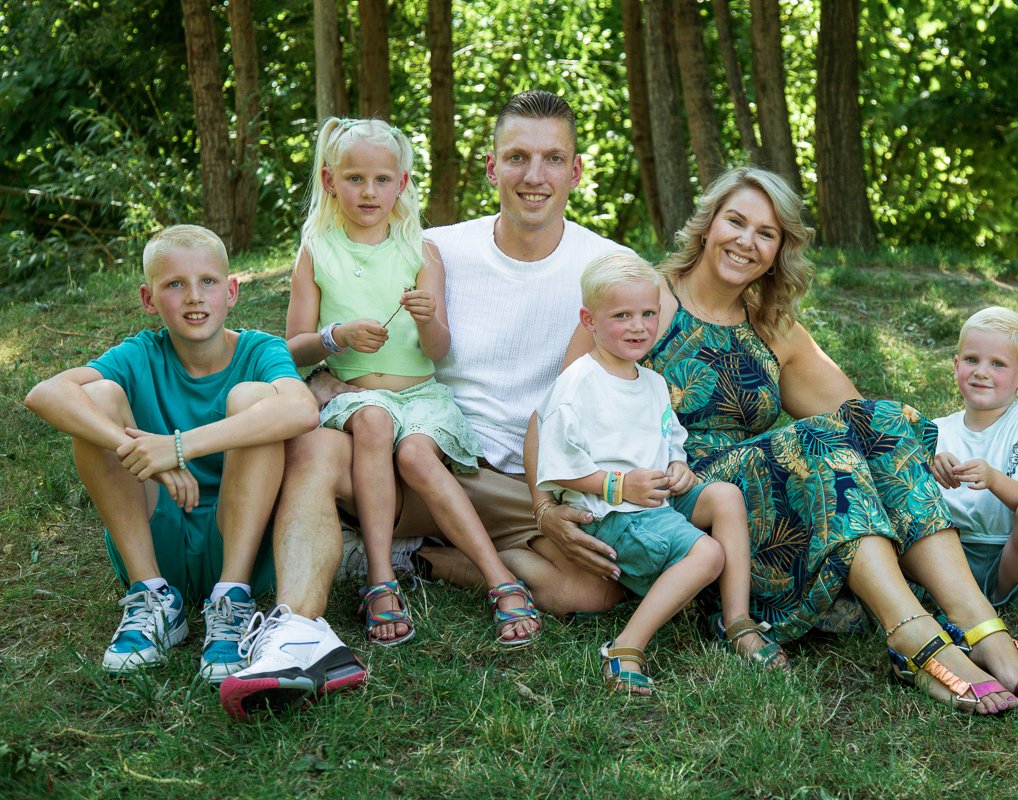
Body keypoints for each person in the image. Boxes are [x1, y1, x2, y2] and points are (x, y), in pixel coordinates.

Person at [555, 166, 1018, 714]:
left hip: (760, 496)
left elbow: (864, 421)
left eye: (767, 233)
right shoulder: (642, 298)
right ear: (707, 224)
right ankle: (911, 631)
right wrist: (545, 507)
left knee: (881, 420)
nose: (747, 241)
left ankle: (979, 627)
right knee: (817, 441)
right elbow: (560, 408)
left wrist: (914, 452)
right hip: (683, 493)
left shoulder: (770, 324)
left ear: (778, 250)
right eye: (736, 221)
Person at [219, 90, 629, 718]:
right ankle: (297, 632)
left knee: (595, 591)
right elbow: (333, 314)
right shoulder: (429, 245)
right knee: (316, 444)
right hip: (420, 452)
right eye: (517, 157)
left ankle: (426, 560)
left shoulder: (605, 265)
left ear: (575, 171)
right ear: (492, 167)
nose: (534, 176)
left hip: (527, 478)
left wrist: (553, 502)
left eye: (553, 159)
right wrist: (326, 376)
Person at [24, 224, 319, 683]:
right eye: (174, 285)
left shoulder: (262, 349)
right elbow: (45, 393)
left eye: (208, 282)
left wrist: (178, 447)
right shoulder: (141, 353)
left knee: (254, 398)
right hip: (157, 535)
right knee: (95, 400)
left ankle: (232, 600)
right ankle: (153, 599)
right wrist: (139, 451)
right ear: (148, 299)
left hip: (239, 535)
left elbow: (302, 410)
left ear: (232, 290)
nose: (194, 297)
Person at [285, 117, 540, 648]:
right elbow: (292, 349)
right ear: (331, 181)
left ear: (401, 184)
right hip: (357, 396)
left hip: (421, 395)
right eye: (354, 178)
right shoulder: (318, 250)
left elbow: (438, 349)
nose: (369, 191)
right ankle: (381, 578)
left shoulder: (421, 251)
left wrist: (427, 319)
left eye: (382, 179)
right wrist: (336, 336)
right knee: (375, 422)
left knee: (419, 457)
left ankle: (499, 577)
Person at [537, 252, 786, 695]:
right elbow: (556, 465)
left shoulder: (650, 380)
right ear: (588, 320)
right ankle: (626, 648)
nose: (638, 326)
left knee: (725, 495)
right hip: (613, 515)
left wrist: (679, 467)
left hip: (656, 500)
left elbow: (670, 437)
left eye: (648, 313)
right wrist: (618, 484)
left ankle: (738, 622)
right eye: (622, 315)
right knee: (708, 554)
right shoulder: (578, 383)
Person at [932, 306, 1018, 673]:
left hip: (1010, 558)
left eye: (998, 364)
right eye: (972, 359)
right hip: (949, 558)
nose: (981, 371)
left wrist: (994, 479)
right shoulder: (937, 430)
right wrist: (928, 467)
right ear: (956, 364)